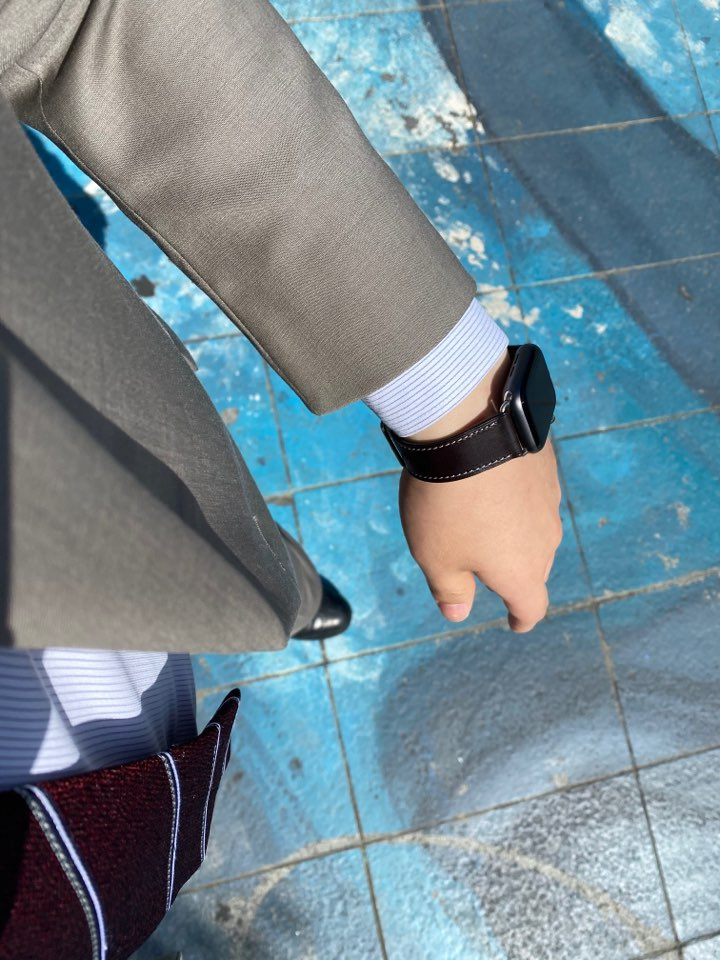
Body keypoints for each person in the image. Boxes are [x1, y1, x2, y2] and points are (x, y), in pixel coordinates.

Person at [0, 0, 563, 956]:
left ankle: (268, 580)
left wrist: (463, 408)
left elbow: (75, 15)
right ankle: (267, 582)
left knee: (204, 539)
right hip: (98, 856)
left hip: (104, 515)